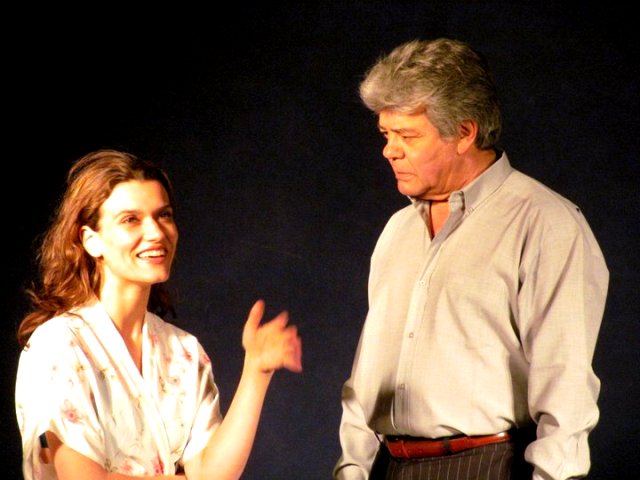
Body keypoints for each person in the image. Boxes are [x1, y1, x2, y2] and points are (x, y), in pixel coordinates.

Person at [333, 38, 608, 480]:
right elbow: (367, 380)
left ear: (465, 132)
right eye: (386, 134)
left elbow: (566, 389)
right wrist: (352, 469)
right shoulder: (397, 232)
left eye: (408, 135)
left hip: (485, 466)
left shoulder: (544, 224)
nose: (390, 150)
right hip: (388, 467)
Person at [15, 149, 303, 480]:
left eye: (163, 215)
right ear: (91, 241)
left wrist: (256, 371)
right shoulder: (57, 346)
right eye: (130, 219)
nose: (155, 232)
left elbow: (212, 472)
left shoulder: (183, 351)